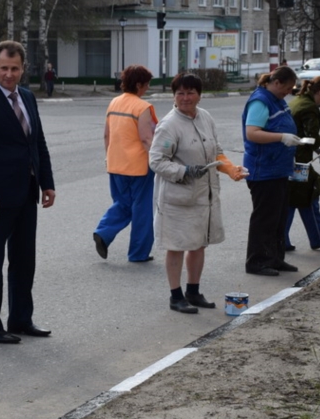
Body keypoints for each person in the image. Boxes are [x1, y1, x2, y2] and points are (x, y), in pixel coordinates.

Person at [0, 40, 56, 344]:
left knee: (23, 260)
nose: (9, 74)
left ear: (23, 69)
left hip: (27, 194)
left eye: (15, 68)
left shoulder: (28, 97)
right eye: (3, 67)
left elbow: (37, 143)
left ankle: (20, 319)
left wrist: (47, 183)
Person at [149, 73, 248, 313]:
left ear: (199, 95)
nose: (185, 98)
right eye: (180, 93)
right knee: (177, 245)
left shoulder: (205, 117)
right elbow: (156, 161)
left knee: (198, 244)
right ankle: (176, 296)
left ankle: (193, 291)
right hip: (177, 198)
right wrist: (184, 171)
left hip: (204, 196)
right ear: (174, 96)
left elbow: (217, 152)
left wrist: (230, 169)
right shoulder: (169, 124)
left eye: (190, 92)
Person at [92, 65, 158, 262]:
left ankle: (103, 232)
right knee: (142, 210)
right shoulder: (142, 107)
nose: (147, 88)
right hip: (139, 166)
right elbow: (147, 139)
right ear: (139, 84)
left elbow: (106, 135)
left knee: (122, 203)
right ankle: (139, 253)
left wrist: (108, 156)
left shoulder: (114, 103)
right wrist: (160, 162)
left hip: (116, 164)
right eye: (146, 85)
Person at [242, 66, 301, 277]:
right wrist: (282, 138)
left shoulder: (276, 99)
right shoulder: (260, 101)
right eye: (286, 89)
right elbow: (252, 133)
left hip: (279, 168)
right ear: (276, 83)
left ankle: (275, 258)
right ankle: (257, 261)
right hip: (263, 169)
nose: (287, 93)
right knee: (265, 218)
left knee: (278, 218)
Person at [285, 76, 320, 251]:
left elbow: (301, 132)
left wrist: (316, 147)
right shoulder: (310, 108)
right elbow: (311, 136)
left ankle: (283, 239)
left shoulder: (297, 101)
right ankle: (318, 238)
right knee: (309, 196)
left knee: (293, 200)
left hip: (289, 157)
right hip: (300, 161)